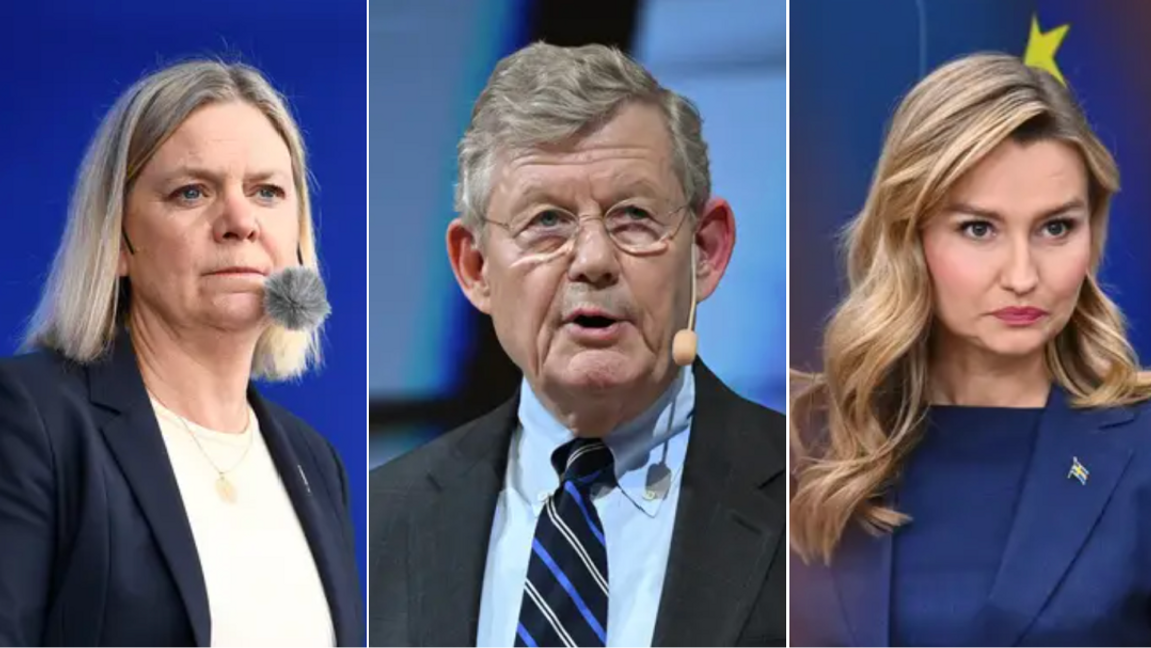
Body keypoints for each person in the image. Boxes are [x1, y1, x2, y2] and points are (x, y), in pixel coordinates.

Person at [369, 43, 785, 647]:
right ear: (476, 266)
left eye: (634, 216)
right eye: (546, 221)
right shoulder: (378, 523)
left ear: (705, 250)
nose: (593, 261)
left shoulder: (812, 498)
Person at [790, 52, 1151, 647]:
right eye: (979, 228)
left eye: (1056, 227)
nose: (1021, 274)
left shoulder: (1138, 449)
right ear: (911, 237)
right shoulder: (809, 444)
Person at [0, 60, 361, 647]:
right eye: (192, 192)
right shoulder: (31, 419)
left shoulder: (315, 462)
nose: (240, 221)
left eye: (266, 191)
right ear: (119, 241)